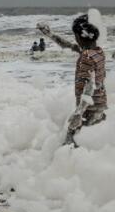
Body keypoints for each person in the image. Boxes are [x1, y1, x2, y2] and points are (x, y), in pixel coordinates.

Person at [36, 14, 107, 146]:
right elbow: (67, 45)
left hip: (88, 110)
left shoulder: (86, 57)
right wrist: (49, 34)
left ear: (80, 37)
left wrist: (78, 113)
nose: (75, 39)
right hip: (100, 106)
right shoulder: (97, 52)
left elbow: (89, 84)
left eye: (75, 35)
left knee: (71, 141)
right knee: (90, 146)